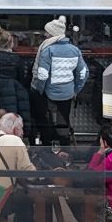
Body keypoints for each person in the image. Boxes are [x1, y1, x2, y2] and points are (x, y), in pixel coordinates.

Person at [31, 17, 89, 145]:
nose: (45, 35)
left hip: (48, 94)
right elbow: (83, 73)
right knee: (63, 122)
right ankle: (65, 148)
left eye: (47, 32)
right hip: (67, 94)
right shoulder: (75, 50)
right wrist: (75, 90)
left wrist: (39, 90)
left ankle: (47, 148)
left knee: (46, 121)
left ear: (53, 34)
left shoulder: (47, 50)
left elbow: (42, 75)